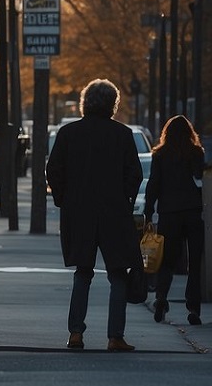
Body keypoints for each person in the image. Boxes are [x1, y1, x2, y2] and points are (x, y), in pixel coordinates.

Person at [46, 78, 144, 352]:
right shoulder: (123, 135)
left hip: (79, 211)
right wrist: (126, 200)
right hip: (114, 212)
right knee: (117, 273)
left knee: (83, 271)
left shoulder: (68, 134)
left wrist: (63, 199)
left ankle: (75, 333)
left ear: (85, 103)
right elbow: (134, 174)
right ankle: (115, 336)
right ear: (113, 104)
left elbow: (53, 170)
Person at [144, 115, 205, 325]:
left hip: (169, 212)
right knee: (194, 262)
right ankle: (194, 308)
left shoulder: (160, 155)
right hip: (193, 212)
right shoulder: (196, 152)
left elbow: (154, 183)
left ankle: (161, 298)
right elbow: (200, 178)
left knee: (167, 261)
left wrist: (148, 210)